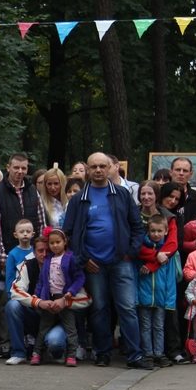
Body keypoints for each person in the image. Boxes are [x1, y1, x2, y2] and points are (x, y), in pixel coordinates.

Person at [63, 152, 151, 369]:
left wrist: (131, 250)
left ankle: (135, 356)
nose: (99, 170)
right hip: (94, 265)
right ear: (88, 170)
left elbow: (137, 226)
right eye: (94, 167)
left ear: (112, 167)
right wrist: (83, 259)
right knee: (100, 309)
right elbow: (70, 233)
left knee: (128, 308)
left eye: (103, 166)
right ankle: (102, 353)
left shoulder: (121, 194)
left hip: (121, 261)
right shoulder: (78, 199)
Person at [29, 230, 84, 367]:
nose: (55, 245)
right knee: (43, 327)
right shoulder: (48, 260)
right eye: (51, 243)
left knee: (70, 328)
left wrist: (71, 292)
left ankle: (71, 355)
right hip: (49, 298)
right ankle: (37, 353)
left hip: (64, 299)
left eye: (58, 242)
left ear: (65, 242)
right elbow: (41, 281)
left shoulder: (70, 258)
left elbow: (79, 277)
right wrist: (37, 295)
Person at [0, 152, 47, 266]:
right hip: (9, 257)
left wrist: (40, 253)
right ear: (8, 167)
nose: (20, 171)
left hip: (33, 257)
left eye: (23, 168)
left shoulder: (33, 190)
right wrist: (5, 260)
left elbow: (41, 224)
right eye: (16, 167)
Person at [137, 214, 179, 367]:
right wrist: (136, 297)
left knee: (159, 327)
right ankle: (148, 353)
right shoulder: (143, 250)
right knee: (146, 326)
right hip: (144, 296)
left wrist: (170, 301)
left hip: (161, 298)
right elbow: (136, 276)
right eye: (153, 231)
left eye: (159, 231)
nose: (156, 234)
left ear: (166, 231)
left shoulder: (168, 253)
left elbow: (171, 279)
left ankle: (159, 353)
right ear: (148, 231)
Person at [4, 219, 36, 294]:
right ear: (15, 235)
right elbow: (10, 276)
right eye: (21, 232)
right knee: (13, 306)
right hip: (18, 291)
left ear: (33, 234)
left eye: (28, 231)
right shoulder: (12, 254)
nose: (25, 234)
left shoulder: (35, 251)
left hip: (35, 291)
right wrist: (10, 294)